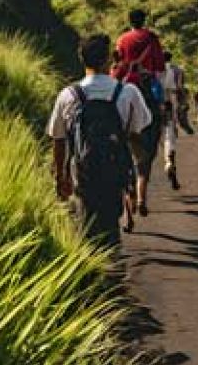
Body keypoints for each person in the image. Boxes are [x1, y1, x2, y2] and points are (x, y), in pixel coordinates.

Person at [48, 34, 152, 247]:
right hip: (114, 171)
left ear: (81, 59)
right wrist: (136, 175)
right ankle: (111, 262)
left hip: (82, 171)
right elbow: (137, 132)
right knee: (110, 223)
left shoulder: (68, 95)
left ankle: (89, 267)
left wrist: (61, 176)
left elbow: (58, 140)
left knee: (84, 223)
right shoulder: (127, 92)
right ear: (108, 60)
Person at [114, 8, 165, 216]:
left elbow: (117, 63)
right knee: (148, 148)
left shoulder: (122, 39)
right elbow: (160, 67)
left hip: (124, 90)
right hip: (147, 91)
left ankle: (128, 201)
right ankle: (142, 196)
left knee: (125, 145)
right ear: (144, 21)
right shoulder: (151, 38)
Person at [160, 50, 190, 190]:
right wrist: (184, 103)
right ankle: (169, 160)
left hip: (156, 103)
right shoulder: (177, 70)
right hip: (171, 103)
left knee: (160, 137)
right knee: (169, 134)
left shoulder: (154, 70)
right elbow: (180, 89)